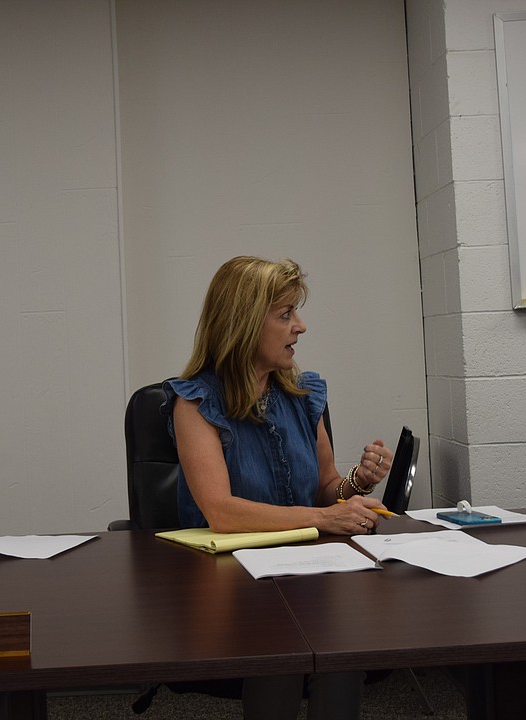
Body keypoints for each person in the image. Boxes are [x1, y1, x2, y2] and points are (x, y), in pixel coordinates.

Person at [163, 255, 393, 720]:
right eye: (286, 314)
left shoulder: (303, 394)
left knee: (341, 651)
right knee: (279, 653)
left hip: (308, 569)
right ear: (244, 324)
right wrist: (324, 518)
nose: (301, 327)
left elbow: (327, 487)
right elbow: (222, 512)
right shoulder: (195, 402)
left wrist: (355, 483)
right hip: (234, 583)